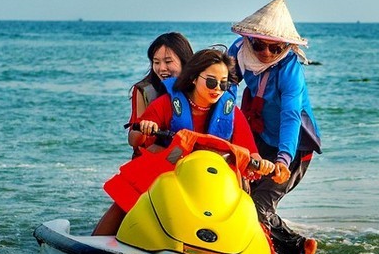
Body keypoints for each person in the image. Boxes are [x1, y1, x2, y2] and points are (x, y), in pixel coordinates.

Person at [94, 47, 283, 235]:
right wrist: (146, 125)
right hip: (171, 172)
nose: (217, 89)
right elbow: (135, 139)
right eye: (211, 81)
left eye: (223, 84)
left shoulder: (231, 113)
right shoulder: (167, 103)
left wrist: (263, 164)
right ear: (194, 78)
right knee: (128, 194)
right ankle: (95, 245)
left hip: (214, 180)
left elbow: (251, 153)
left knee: (248, 212)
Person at [228, 0, 322, 254]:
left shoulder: (290, 68)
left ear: (287, 48)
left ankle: (290, 252)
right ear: (247, 39)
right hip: (257, 136)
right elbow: (226, 92)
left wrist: (282, 160)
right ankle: (291, 249)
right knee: (234, 198)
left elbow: (291, 115)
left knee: (257, 208)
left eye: (275, 47)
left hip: (292, 146)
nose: (266, 52)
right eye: (258, 44)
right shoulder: (238, 53)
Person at [128, 32, 194, 132]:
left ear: (184, 61)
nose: (162, 68)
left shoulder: (199, 86)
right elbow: (135, 138)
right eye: (156, 62)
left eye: (168, 62)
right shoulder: (145, 90)